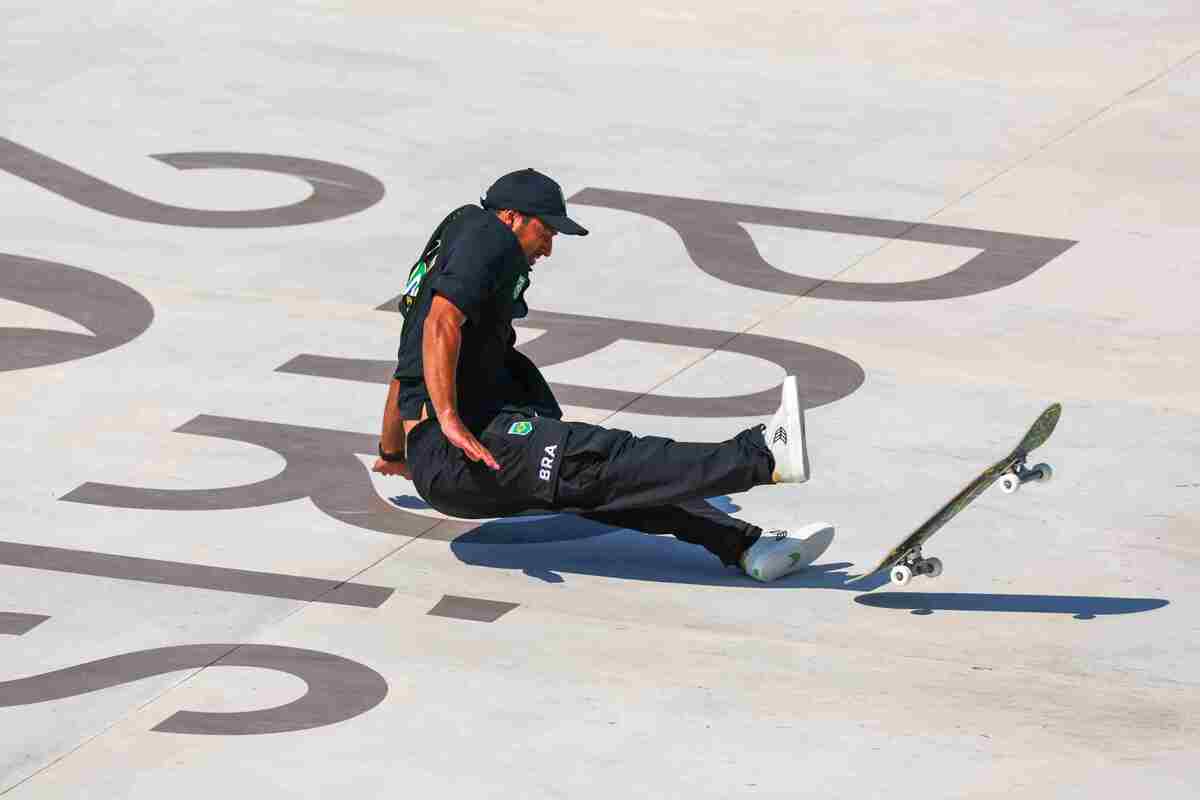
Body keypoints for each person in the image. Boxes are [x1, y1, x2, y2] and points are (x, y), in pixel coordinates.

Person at [373, 168, 833, 581]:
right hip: (465, 448)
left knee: (602, 481)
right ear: (511, 217)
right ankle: (763, 456)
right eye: (545, 230)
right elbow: (443, 323)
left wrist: (394, 450)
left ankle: (746, 545)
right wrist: (448, 419)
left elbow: (405, 370)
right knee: (605, 459)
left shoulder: (440, 262)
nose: (547, 248)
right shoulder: (485, 232)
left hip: (448, 462)